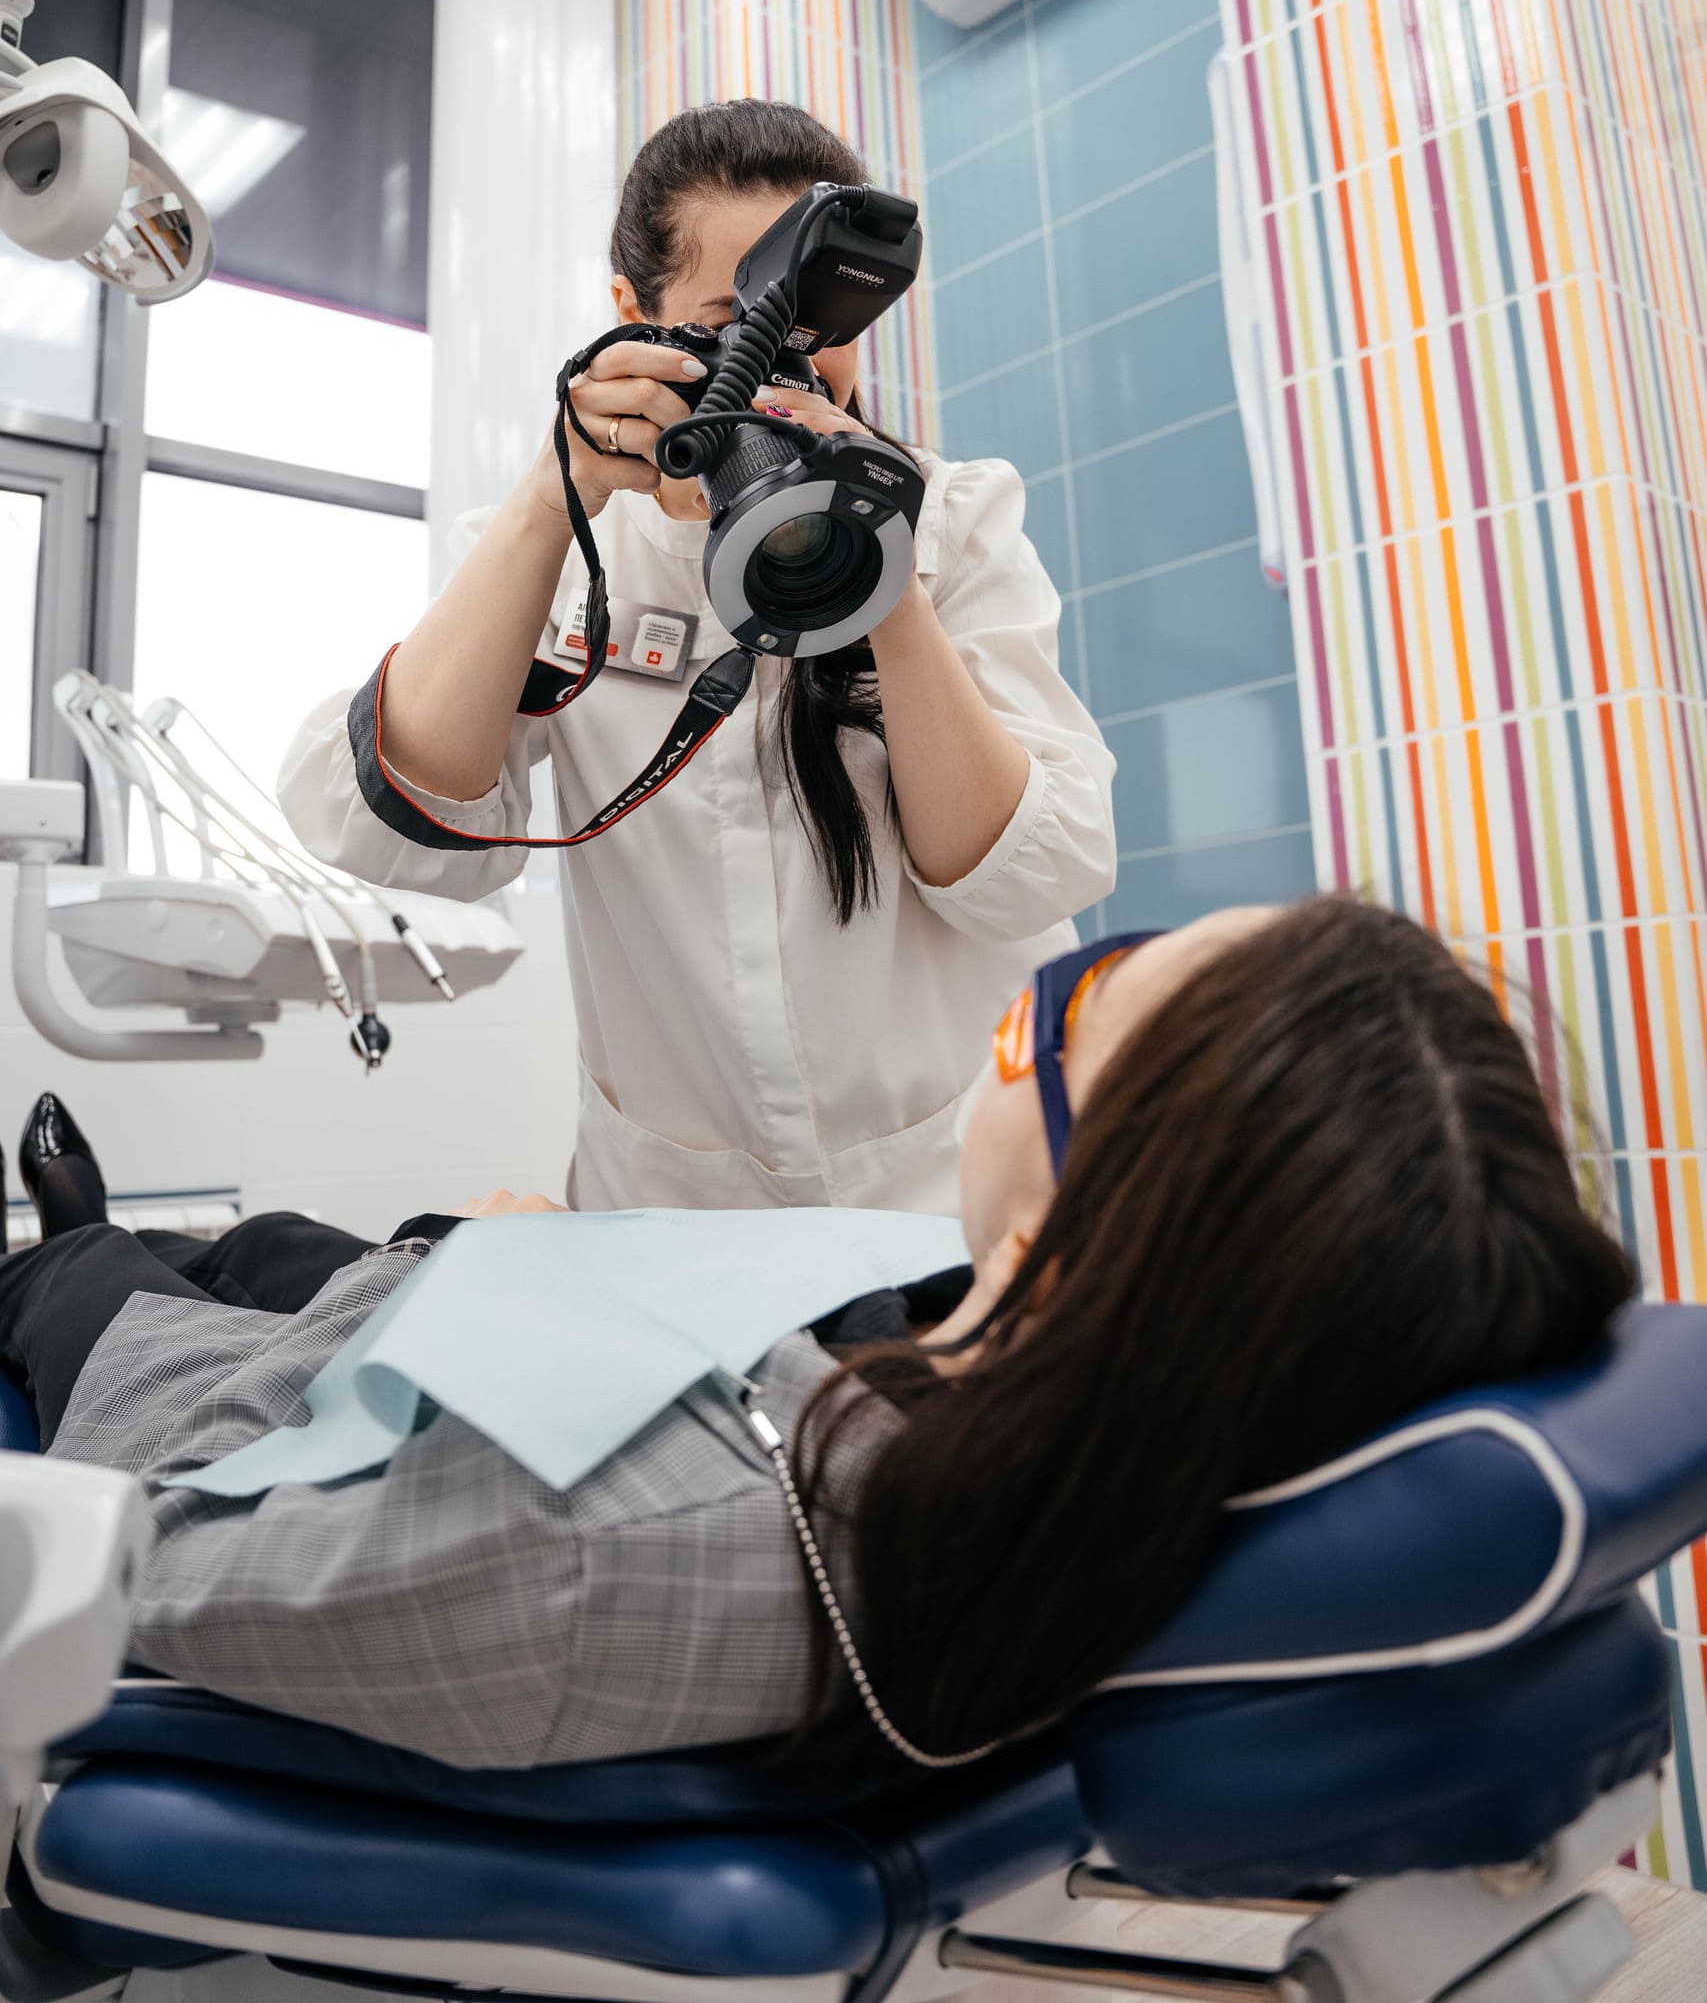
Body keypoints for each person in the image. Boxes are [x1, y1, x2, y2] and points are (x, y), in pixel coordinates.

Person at [6, 895, 1634, 1775]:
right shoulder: (1100, 1421)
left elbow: (162, 1554)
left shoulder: (584, 1551)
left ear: (1057, 1250)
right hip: (549, 1344)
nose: (1019, 1015)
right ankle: (222, 1252)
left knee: (85, 1284)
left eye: (1065, 1010)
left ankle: (78, 1241)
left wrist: (437, 1287)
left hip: (295, 1424)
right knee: (273, 1245)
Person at [277, 100, 1117, 1215]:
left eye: (818, 325)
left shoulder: (953, 516)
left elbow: (1026, 877)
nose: (789, 365)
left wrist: (878, 561)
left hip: (946, 1187)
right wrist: (548, 499)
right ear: (635, 313)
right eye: (740, 321)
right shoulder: (568, 554)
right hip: (672, 1208)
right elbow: (394, 823)